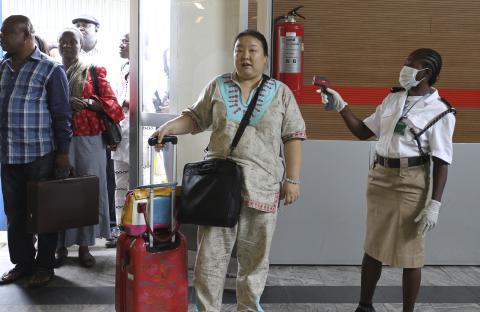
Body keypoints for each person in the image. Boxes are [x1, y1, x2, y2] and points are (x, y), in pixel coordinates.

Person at [151, 29, 306, 311]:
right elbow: (195, 119)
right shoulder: (218, 86)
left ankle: (248, 307)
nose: (245, 55)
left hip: (263, 186)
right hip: (218, 188)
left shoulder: (281, 93)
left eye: (252, 50)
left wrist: (292, 180)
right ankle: (207, 308)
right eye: (239, 50)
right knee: (210, 259)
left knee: (255, 259)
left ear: (265, 57)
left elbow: (293, 136)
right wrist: (167, 127)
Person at [317, 48, 455, 312]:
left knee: (410, 252)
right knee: (373, 245)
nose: (404, 70)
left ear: (426, 73)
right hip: (380, 178)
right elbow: (362, 132)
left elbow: (442, 161)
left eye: (409, 65)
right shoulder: (393, 99)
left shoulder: (441, 111)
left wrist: (434, 204)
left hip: (411, 181)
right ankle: (365, 306)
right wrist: (341, 105)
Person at [0, 15, 72, 287]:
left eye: (7, 32)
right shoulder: (3, 67)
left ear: (27, 34)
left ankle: (45, 265)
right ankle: (23, 264)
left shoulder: (51, 70)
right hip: (8, 155)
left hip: (40, 155)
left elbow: (61, 115)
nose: (1, 36)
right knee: (15, 214)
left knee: (44, 213)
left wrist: (62, 154)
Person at [55, 27, 124, 267]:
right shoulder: (51, 70)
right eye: (62, 42)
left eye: (72, 42)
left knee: (86, 193)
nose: (67, 46)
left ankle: (85, 246)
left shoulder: (92, 71)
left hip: (90, 140)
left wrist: (85, 102)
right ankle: (59, 245)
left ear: (80, 44)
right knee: (60, 193)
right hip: (58, 140)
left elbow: (112, 104)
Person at [72, 14, 118, 243]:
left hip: (95, 131)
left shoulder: (104, 59)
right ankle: (67, 242)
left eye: (86, 25)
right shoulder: (61, 61)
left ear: (97, 29)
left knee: (101, 181)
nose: (81, 29)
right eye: (77, 26)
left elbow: (112, 99)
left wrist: (90, 103)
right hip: (69, 134)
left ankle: (103, 231)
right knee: (68, 187)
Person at [106, 33, 130, 248]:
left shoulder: (147, 70)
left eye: (126, 41)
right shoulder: (123, 69)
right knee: (120, 186)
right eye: (121, 40)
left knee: (139, 186)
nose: (121, 44)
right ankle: (121, 231)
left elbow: (138, 103)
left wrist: (117, 102)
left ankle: (137, 230)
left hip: (139, 138)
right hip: (121, 136)